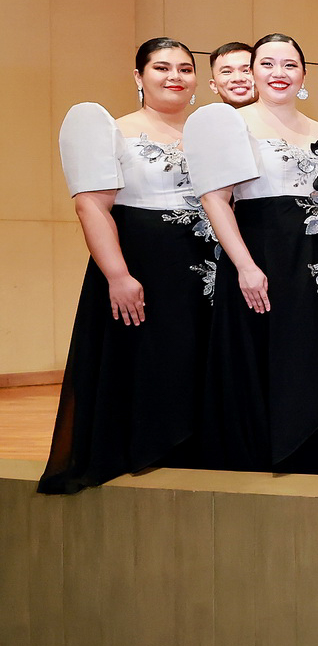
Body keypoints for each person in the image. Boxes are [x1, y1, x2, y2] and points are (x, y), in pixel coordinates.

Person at [41, 39, 214, 494]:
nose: (174, 76)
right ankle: (146, 455)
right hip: (142, 264)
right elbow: (91, 208)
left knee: (198, 362)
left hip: (205, 267)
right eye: (161, 67)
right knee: (151, 359)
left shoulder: (209, 133)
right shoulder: (114, 130)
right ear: (139, 77)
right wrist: (118, 275)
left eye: (184, 68)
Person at [187, 34, 318, 476]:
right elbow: (214, 200)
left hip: (316, 262)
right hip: (261, 255)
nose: (278, 73)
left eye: (289, 64)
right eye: (268, 63)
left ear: (303, 74)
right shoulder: (234, 124)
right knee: (261, 359)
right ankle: (259, 464)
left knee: (311, 362)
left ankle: (311, 462)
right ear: (253, 72)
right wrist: (245, 266)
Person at [207, 42, 257, 107]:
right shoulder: (205, 116)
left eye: (246, 71)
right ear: (214, 86)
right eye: (227, 72)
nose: (238, 78)